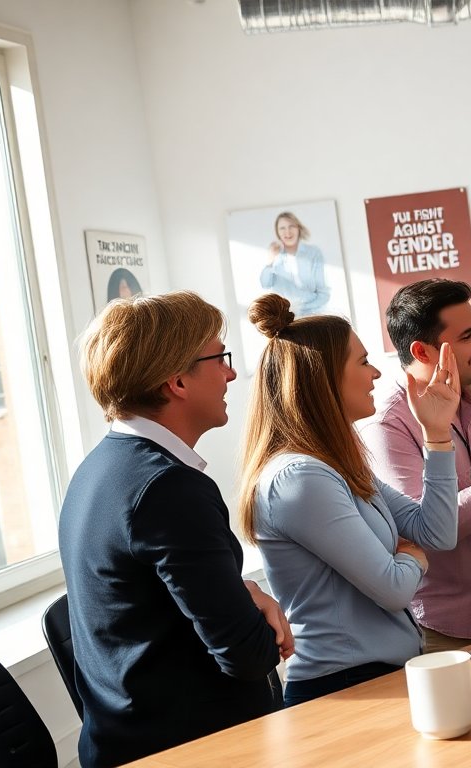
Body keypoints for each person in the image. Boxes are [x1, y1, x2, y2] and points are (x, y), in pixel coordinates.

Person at [59, 291, 293, 768]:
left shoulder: (99, 468)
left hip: (127, 740)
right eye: (220, 357)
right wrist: (250, 608)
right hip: (192, 750)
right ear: (177, 381)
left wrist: (241, 589)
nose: (230, 373)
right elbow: (248, 656)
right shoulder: (169, 489)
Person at [238, 294, 459, 706]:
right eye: (362, 362)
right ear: (323, 379)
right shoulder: (300, 478)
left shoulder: (337, 466)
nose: (375, 372)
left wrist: (437, 434)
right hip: (343, 688)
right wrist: (414, 557)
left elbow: (437, 532)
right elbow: (394, 589)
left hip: (377, 679)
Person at [359, 278, 471, 654]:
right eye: (467, 336)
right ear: (423, 353)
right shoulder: (387, 427)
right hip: (446, 626)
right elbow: (432, 529)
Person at [259, 210, 331, 315]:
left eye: (291, 226)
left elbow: (323, 294)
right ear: (277, 233)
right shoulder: (275, 255)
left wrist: (300, 309)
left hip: (312, 315)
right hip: (285, 318)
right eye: (282, 228)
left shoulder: (313, 253)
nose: (287, 232)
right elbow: (265, 284)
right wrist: (270, 261)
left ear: (298, 228)